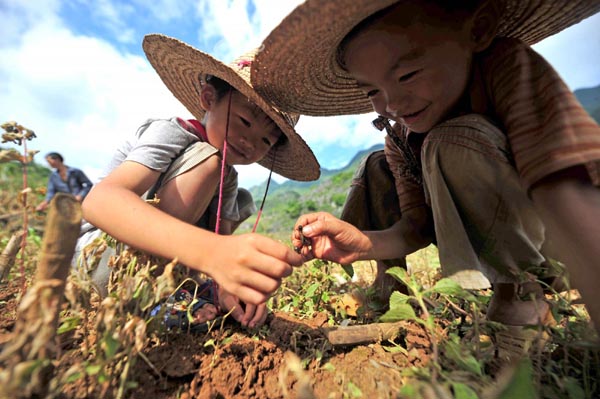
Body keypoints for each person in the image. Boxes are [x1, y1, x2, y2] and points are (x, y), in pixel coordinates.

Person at [251, 0, 600, 334]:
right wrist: (362, 243)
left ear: (477, 29)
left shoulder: (505, 67)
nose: (392, 104)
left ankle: (519, 292)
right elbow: (415, 228)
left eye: (407, 74)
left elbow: (562, 188)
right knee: (374, 165)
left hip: (558, 243)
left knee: (448, 141)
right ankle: (390, 284)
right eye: (372, 90)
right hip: (473, 223)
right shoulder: (400, 136)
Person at [74, 34, 320, 330]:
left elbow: (224, 241)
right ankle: (155, 296)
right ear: (208, 99)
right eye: (244, 121)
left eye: (266, 140)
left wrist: (230, 285)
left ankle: (175, 293)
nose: (250, 142)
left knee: (239, 197)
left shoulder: (228, 177)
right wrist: (213, 253)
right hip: (105, 261)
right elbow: (100, 201)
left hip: (164, 274)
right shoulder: (171, 133)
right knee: (210, 162)